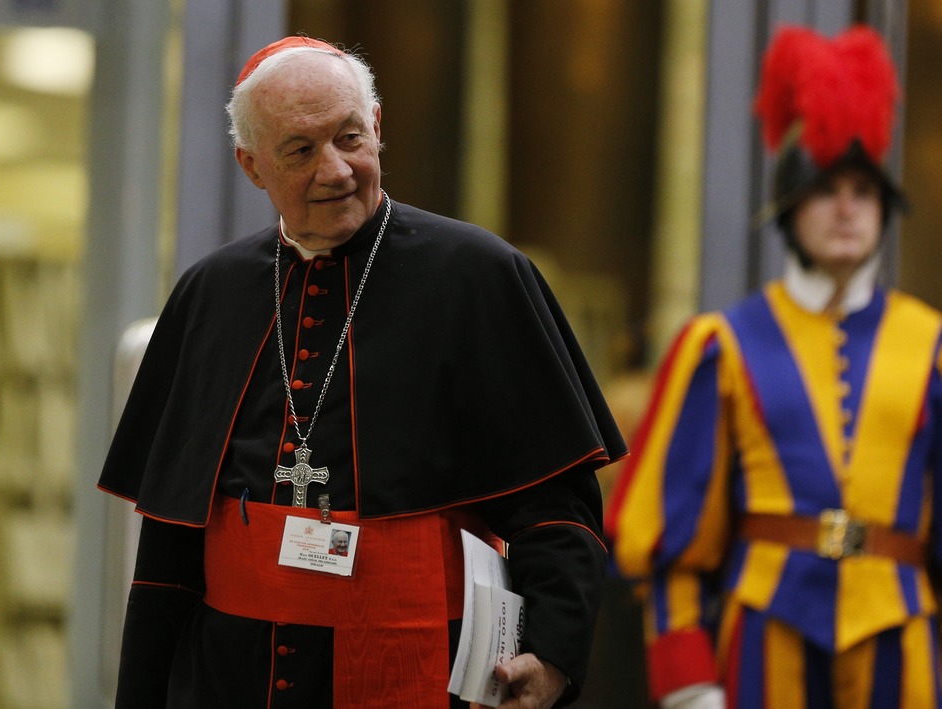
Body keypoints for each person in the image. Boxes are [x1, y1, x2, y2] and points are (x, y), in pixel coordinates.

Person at [98, 35, 627, 709]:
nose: (337, 170)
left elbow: (556, 506)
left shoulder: (480, 276)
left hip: (422, 669)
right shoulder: (212, 294)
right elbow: (171, 544)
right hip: (229, 675)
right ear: (251, 165)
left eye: (350, 137)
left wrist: (551, 655)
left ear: (376, 128)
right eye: (300, 149)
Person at [606, 25, 942, 709]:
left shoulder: (934, 344)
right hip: (763, 639)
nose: (847, 207)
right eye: (826, 189)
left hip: (902, 643)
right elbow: (665, 543)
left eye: (863, 189)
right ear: (791, 209)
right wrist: (688, 679)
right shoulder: (723, 344)